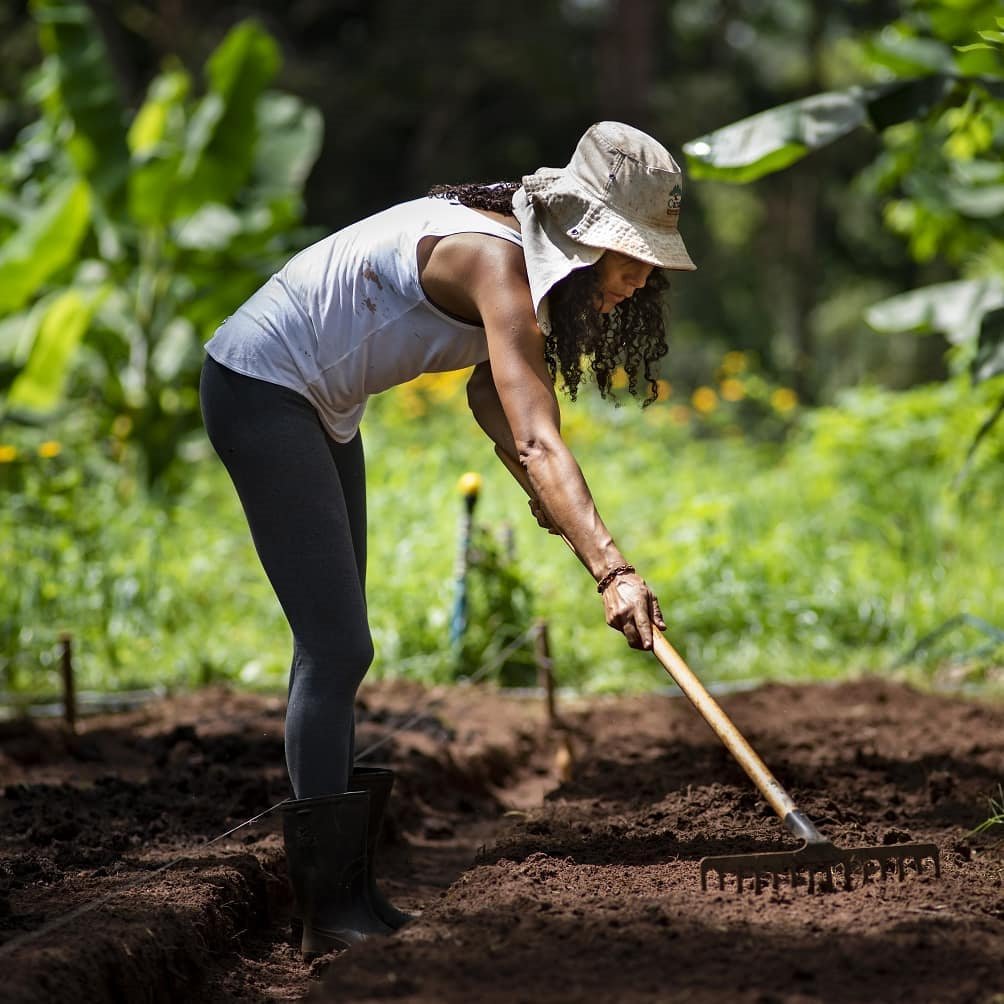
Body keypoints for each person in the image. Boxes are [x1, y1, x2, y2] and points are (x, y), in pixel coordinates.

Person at [199, 121, 697, 959]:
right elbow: (538, 438)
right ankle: (327, 913)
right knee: (335, 647)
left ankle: (354, 895)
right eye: (630, 255)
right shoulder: (494, 259)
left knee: (334, 647)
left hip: (319, 406)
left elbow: (493, 403)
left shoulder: (528, 270)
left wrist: (552, 504)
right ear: (583, 232)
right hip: (261, 387)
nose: (639, 277)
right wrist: (614, 569)